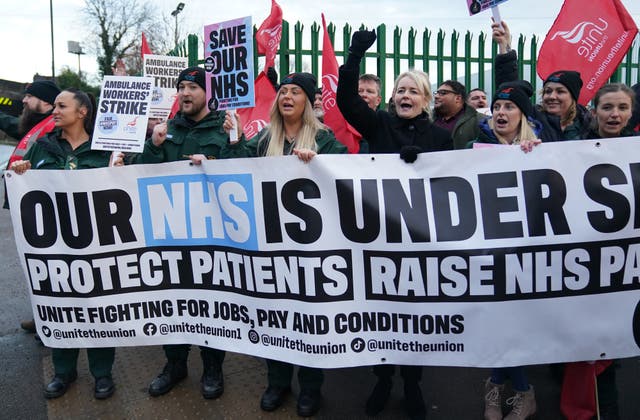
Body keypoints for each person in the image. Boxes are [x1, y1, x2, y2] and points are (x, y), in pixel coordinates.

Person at [337, 29, 452, 420]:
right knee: (382, 312)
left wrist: (424, 168)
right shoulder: (380, 126)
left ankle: (412, 382)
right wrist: (354, 57)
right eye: (401, 90)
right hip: (379, 239)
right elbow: (347, 102)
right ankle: (383, 378)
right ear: (393, 97)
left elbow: (451, 188)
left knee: (414, 315)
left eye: (414, 91)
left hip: (420, 242)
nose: (405, 96)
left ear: (425, 99)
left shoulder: (440, 137)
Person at [223, 72, 346, 417]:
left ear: (308, 101)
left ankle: (310, 387)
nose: (287, 97)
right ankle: (277, 382)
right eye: (283, 92)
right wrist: (231, 141)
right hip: (270, 244)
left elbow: (345, 174)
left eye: (295, 92)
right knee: (274, 314)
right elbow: (237, 166)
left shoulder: (324, 138)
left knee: (308, 316)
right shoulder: (264, 138)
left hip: (310, 248)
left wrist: (319, 162)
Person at [125, 66, 227, 400]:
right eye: (181, 87)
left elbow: (248, 172)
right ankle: (175, 365)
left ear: (207, 94)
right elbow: (142, 173)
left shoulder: (225, 129)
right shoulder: (166, 130)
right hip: (171, 236)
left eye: (192, 88)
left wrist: (231, 146)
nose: (184, 93)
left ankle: (213, 367)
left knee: (212, 305)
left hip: (212, 238)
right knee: (172, 303)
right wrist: (153, 146)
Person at [9, 88, 116, 400]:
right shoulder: (42, 148)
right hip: (55, 249)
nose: (54, 111)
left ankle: (102, 373)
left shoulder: (104, 150)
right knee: (62, 309)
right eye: (54, 105)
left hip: (97, 247)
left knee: (99, 310)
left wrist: (119, 171)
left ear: (82, 112)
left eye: (61, 106)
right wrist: (21, 172)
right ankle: (63, 372)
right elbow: (23, 183)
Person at [559, 83, 636, 420]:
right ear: (595, 111)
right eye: (607, 107)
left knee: (612, 350)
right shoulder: (572, 149)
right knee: (586, 347)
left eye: (622, 107)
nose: (615, 114)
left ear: (631, 112)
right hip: (583, 263)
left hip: (624, 268)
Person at [469, 82, 543, 420]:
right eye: (497, 106)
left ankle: (513, 391)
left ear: (522, 114)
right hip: (486, 251)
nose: (500, 112)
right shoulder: (475, 145)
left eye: (509, 107)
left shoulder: (542, 146)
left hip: (527, 252)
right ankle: (515, 391)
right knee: (496, 323)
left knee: (516, 324)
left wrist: (541, 156)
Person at [1, 79, 61, 333]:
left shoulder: (53, 127)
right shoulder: (37, 125)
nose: (24, 101)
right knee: (37, 266)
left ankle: (53, 321)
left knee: (53, 267)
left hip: (48, 207)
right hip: (32, 205)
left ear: (45, 101)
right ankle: (42, 316)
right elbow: (14, 126)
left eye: (29, 96)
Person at [492, 19, 591, 140]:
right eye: (547, 91)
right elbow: (508, 88)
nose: (552, 96)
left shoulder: (588, 123)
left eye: (560, 91)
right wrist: (504, 46)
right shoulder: (533, 118)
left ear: (573, 97)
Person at [432, 80, 484, 149]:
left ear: (458, 98)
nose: (436, 96)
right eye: (436, 93)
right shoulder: (428, 119)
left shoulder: (480, 121)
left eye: (443, 93)